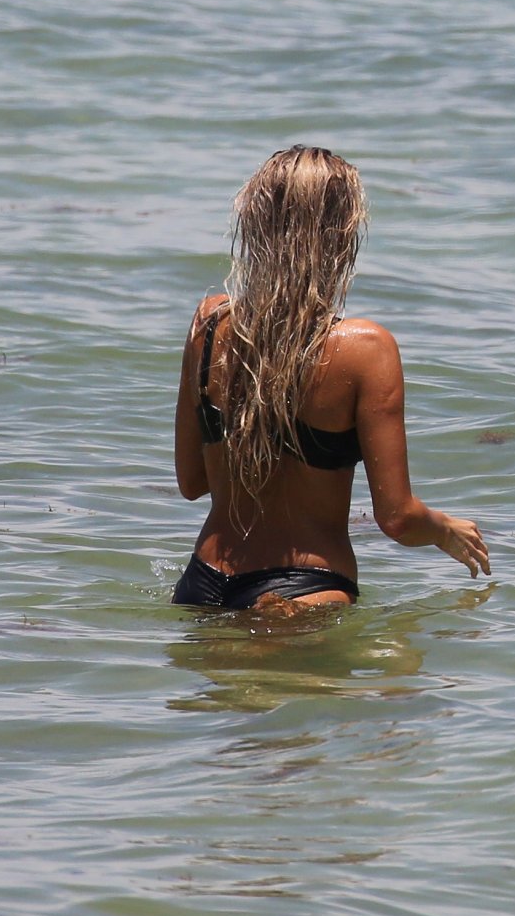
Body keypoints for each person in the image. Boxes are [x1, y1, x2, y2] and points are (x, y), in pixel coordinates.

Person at [172, 145, 490, 610]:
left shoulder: (208, 323)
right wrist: (444, 529)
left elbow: (191, 482)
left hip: (203, 583)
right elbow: (398, 518)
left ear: (255, 225)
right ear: (342, 236)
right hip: (305, 590)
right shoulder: (367, 348)